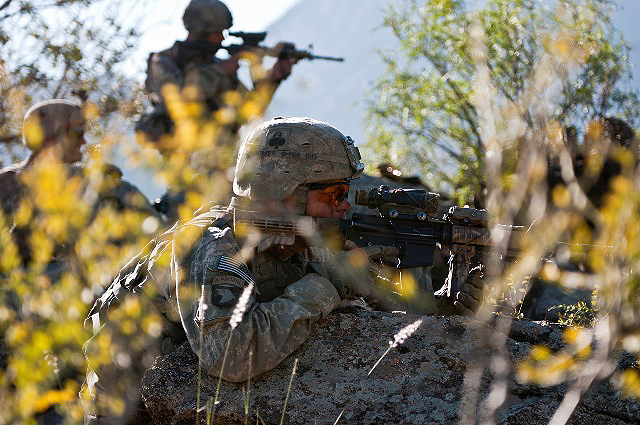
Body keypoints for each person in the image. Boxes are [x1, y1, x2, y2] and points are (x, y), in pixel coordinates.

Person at [82, 117, 482, 423]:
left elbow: (376, 313)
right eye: (334, 194)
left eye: (348, 193)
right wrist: (325, 288)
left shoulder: (303, 238)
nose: (345, 206)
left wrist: (446, 309)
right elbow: (233, 357)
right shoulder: (212, 245)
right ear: (282, 190)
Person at [136, 0, 295, 146]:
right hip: (183, 154)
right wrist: (225, 68)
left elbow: (248, 111)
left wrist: (273, 79)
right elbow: (179, 98)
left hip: (220, 158)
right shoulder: (163, 60)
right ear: (200, 31)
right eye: (218, 32)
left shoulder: (217, 65)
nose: (222, 38)